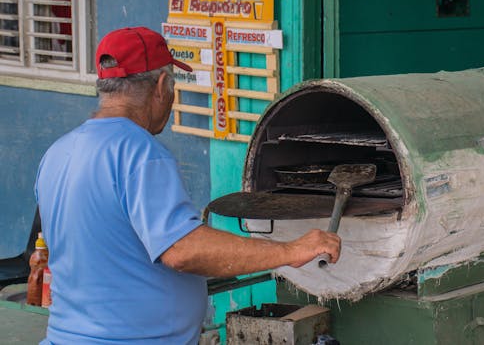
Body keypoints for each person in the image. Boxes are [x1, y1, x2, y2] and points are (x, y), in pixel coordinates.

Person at [35, 26, 341, 344]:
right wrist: (291, 251)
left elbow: (108, 245)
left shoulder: (59, 151)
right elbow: (181, 250)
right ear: (163, 86)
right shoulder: (139, 152)